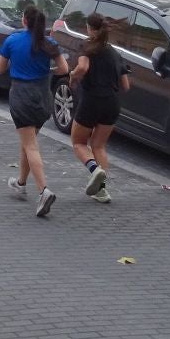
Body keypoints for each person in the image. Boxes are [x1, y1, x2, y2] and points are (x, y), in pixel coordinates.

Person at [0, 3, 64, 218]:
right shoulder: (49, 43)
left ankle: (44, 191)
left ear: (24, 20)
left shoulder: (12, 40)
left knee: (31, 145)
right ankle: (20, 183)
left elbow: (0, 69)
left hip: (21, 96)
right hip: (43, 97)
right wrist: (47, 69)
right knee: (28, 142)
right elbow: (64, 69)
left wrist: (16, 63)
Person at [67, 13, 128, 203]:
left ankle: (95, 169)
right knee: (99, 145)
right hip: (112, 103)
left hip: (92, 101)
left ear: (89, 28)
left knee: (78, 143)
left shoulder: (87, 47)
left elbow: (83, 68)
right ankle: (101, 191)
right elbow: (126, 85)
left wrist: (73, 76)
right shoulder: (115, 54)